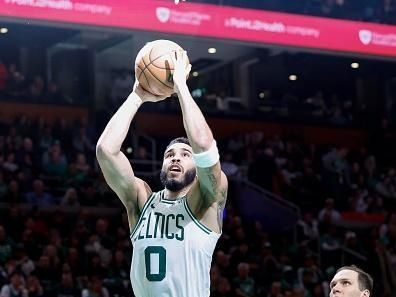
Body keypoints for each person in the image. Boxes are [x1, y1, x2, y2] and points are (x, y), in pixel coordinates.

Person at [96, 44, 228, 297]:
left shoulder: (207, 198)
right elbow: (105, 151)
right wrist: (137, 96)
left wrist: (180, 85)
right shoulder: (141, 200)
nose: (175, 158)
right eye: (170, 155)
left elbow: (203, 144)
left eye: (184, 155)